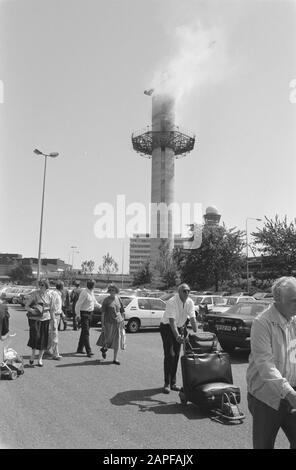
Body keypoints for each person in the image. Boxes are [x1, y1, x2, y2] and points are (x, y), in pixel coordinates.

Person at [246, 276, 296, 449]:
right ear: (277, 300)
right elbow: (265, 365)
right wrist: (290, 394)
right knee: (264, 445)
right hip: (265, 397)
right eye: (293, 301)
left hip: (292, 392)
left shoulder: (294, 319)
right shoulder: (262, 323)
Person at [159, 283, 198, 394]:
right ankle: (166, 383)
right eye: (184, 291)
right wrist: (177, 336)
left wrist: (196, 331)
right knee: (169, 355)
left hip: (180, 327)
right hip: (167, 328)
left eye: (188, 291)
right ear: (179, 291)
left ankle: (173, 383)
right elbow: (171, 321)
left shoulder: (190, 302)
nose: (187, 293)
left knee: (176, 355)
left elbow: (192, 318)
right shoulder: (172, 301)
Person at [25, 279, 52, 367]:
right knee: (35, 337)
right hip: (35, 319)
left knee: (44, 339)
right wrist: (32, 310)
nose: (40, 286)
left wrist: (53, 320)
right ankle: (33, 355)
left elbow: (51, 309)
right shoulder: (35, 294)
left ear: (46, 286)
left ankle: (40, 359)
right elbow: (27, 306)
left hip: (46, 319)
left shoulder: (49, 295)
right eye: (40, 284)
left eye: (42, 285)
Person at [96, 284, 125, 365]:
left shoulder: (118, 298)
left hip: (118, 323)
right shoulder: (106, 300)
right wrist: (102, 325)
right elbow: (103, 314)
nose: (112, 291)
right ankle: (104, 348)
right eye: (110, 290)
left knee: (116, 341)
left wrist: (122, 320)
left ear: (116, 291)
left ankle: (115, 359)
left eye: (113, 290)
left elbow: (122, 311)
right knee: (107, 339)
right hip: (108, 323)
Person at [75, 279, 101, 357]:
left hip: (90, 314)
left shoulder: (91, 292)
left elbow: (94, 302)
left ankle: (80, 349)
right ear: (88, 285)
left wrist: (101, 307)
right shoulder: (84, 292)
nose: (93, 286)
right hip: (84, 314)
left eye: (93, 284)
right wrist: (78, 315)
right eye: (92, 284)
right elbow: (78, 305)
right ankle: (88, 351)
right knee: (86, 332)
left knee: (84, 332)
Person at [48, 281, 64, 360]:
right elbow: (52, 307)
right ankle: (55, 354)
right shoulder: (55, 294)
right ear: (62, 287)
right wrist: (53, 318)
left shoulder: (58, 294)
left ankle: (46, 349)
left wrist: (62, 313)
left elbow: (58, 306)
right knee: (54, 335)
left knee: (50, 334)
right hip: (54, 316)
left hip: (57, 315)